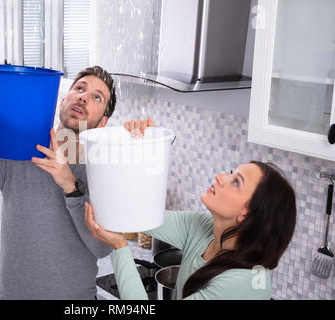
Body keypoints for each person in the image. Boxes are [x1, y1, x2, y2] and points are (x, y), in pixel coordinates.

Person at [0, 66, 118, 299]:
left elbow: (102, 248)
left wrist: (71, 187)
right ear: (62, 101)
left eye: (96, 97)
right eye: (79, 88)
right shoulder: (15, 155)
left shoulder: (100, 172)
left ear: (103, 122)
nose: (83, 97)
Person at [85, 120, 297, 300]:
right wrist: (144, 150)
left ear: (248, 214)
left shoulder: (243, 283)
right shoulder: (203, 228)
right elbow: (135, 210)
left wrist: (120, 246)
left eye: (235, 182)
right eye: (232, 173)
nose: (221, 177)